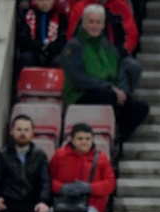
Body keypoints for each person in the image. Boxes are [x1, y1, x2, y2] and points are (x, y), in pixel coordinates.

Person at [60, 4, 149, 144]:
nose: (94, 26)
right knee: (109, 96)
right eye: (91, 22)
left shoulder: (107, 46)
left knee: (140, 108)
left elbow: (118, 69)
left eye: (98, 22)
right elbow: (77, 78)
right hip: (81, 94)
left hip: (109, 93)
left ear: (103, 25)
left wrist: (121, 91)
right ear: (83, 23)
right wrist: (108, 87)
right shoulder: (74, 46)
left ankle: (116, 139)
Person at [0, 114, 51, 212]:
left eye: (26, 130)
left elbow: (45, 181)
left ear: (32, 133)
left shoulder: (40, 155)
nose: (22, 133)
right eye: (19, 129)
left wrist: (43, 201)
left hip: (31, 202)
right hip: (8, 201)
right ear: (12, 131)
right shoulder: (3, 154)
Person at [49, 123, 115, 212]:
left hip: (91, 205)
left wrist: (89, 188)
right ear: (72, 140)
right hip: (62, 201)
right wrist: (61, 188)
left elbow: (110, 184)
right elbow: (47, 180)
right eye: (80, 139)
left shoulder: (101, 158)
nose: (84, 142)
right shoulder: (59, 155)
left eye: (88, 139)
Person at [16, 0, 69, 74]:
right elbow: (22, 39)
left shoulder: (61, 17)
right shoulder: (28, 16)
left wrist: (49, 48)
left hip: (52, 54)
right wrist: (40, 46)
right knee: (26, 59)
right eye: (41, 0)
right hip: (34, 52)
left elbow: (63, 41)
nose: (45, 3)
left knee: (59, 61)